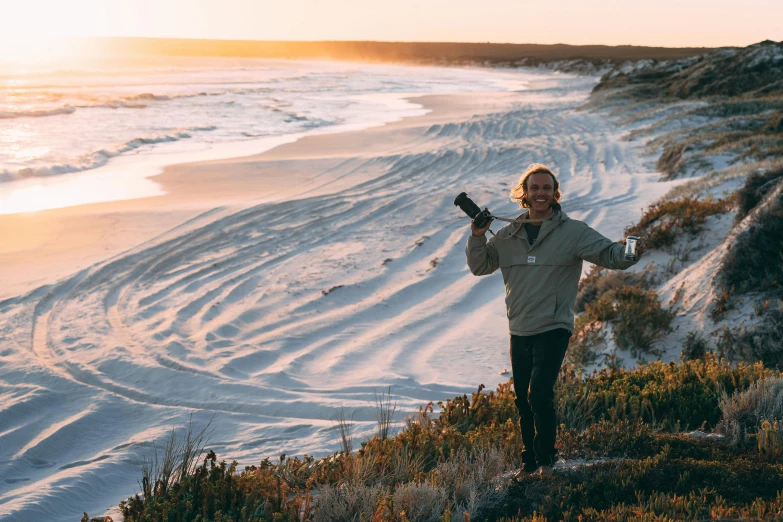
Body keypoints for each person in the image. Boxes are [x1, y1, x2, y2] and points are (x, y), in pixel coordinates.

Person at [464, 163, 646, 476]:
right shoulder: (508, 234)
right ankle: (529, 464)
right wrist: (477, 236)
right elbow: (481, 266)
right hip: (519, 328)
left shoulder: (573, 232)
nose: (540, 193)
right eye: (534, 188)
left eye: (546, 188)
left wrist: (631, 251)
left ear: (555, 193)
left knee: (540, 392)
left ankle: (546, 461)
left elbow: (610, 255)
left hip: (554, 327)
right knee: (522, 400)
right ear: (524, 193)